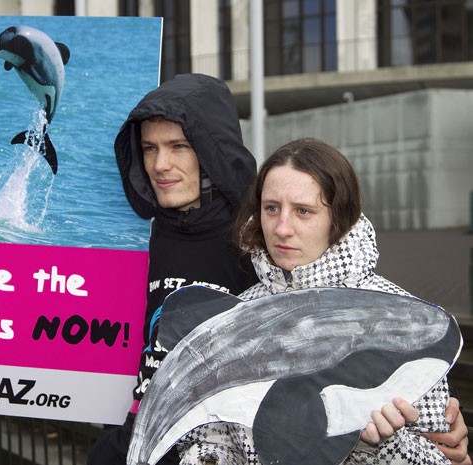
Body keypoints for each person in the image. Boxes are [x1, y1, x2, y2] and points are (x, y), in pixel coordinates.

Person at [0, 73, 261, 465]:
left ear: (212, 149)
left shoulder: (259, 245)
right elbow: (13, 300)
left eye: (178, 146)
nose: (160, 164)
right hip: (130, 444)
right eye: (148, 148)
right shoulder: (134, 238)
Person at [175, 137, 471, 464]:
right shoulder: (239, 314)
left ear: (338, 218)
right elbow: (210, 433)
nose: (282, 228)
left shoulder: (406, 320)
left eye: (304, 211)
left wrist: (383, 447)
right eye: (272, 208)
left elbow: (444, 457)